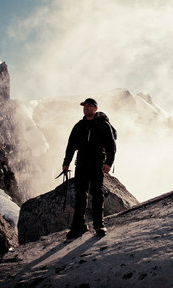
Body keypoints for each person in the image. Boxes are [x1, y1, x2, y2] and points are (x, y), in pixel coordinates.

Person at [62, 98, 116, 238]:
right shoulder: (79, 126)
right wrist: (66, 162)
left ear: (95, 108)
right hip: (81, 163)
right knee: (81, 194)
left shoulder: (104, 125)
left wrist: (108, 163)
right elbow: (71, 145)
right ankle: (79, 225)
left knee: (97, 194)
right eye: (84, 106)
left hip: (97, 162)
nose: (85, 108)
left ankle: (99, 225)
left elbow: (111, 146)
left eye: (89, 106)